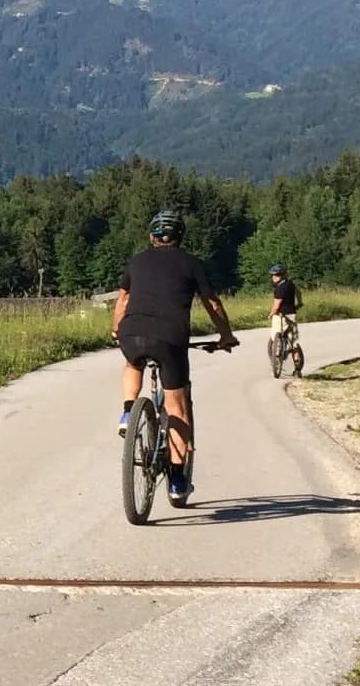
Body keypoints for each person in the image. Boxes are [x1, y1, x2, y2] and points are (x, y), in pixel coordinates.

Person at [112, 206, 237, 507]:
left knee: (132, 362)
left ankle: (129, 411)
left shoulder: (136, 261)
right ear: (179, 236)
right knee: (177, 410)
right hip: (170, 339)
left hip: (133, 332)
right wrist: (226, 335)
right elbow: (212, 303)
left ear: (151, 236)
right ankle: (178, 480)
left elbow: (123, 299)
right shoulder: (192, 264)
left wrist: (117, 330)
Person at [267, 262, 302, 350]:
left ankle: (277, 354)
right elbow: (298, 295)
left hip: (281, 315)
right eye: (273, 275)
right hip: (292, 313)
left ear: (282, 275)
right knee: (292, 338)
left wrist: (271, 314)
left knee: (276, 333)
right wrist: (299, 305)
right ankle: (296, 356)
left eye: (277, 275)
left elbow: (276, 305)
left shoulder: (279, 288)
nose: (274, 277)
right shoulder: (291, 284)